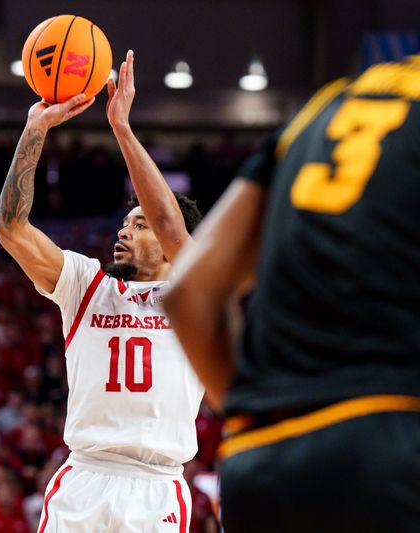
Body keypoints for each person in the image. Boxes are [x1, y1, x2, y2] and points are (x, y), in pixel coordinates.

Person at [164, 54, 420, 532]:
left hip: (259, 464)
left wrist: (258, 409)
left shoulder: (324, 107)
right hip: (388, 445)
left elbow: (187, 293)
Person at [0, 49, 204, 532]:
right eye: (123, 223)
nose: (123, 232)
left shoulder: (193, 288)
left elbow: (169, 220)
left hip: (156, 486)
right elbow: (10, 228)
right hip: (85, 477)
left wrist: (122, 129)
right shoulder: (86, 285)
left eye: (139, 225)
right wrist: (35, 130)